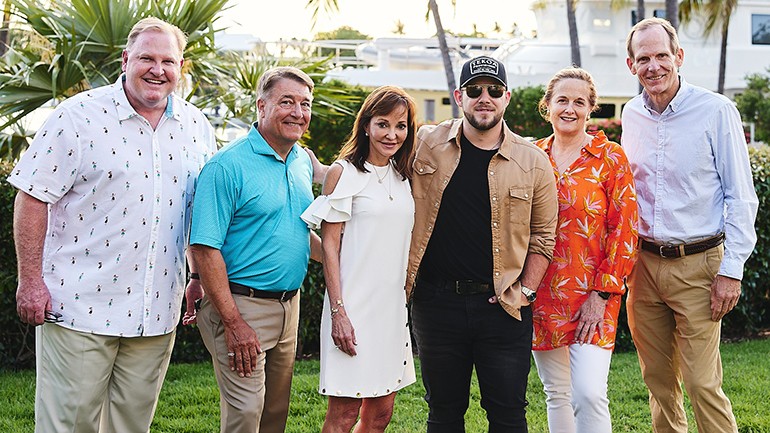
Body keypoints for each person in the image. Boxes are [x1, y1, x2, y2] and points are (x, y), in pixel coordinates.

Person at [8, 17, 216, 433]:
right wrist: (30, 280)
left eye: (168, 61)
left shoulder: (197, 127)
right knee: (68, 425)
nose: (158, 69)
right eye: (147, 58)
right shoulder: (77, 118)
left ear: (180, 67)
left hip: (155, 311)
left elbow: (191, 210)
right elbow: (32, 196)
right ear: (126, 60)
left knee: (131, 426)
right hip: (78, 306)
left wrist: (196, 274)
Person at [407, 56, 558, 432]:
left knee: (508, 416)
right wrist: (328, 172)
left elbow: (544, 237)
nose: (484, 98)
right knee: (443, 414)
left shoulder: (533, 161)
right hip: (436, 306)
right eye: (474, 90)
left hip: (504, 310)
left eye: (493, 90)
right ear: (459, 96)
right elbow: (375, 167)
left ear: (506, 97)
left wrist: (525, 292)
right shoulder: (425, 144)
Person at [622, 17, 758, 433]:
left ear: (678, 57)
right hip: (643, 267)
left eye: (662, 55)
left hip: (699, 266)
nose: (654, 66)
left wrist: (731, 271)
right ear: (631, 65)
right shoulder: (631, 114)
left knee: (702, 383)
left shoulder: (717, 111)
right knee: (659, 383)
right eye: (643, 58)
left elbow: (741, 196)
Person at [189, 66, 322, 433]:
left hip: (288, 306)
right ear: (261, 107)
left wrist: (341, 261)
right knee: (246, 413)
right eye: (287, 102)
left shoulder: (298, 160)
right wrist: (234, 323)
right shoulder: (226, 167)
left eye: (305, 104)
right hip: (239, 305)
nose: (298, 112)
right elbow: (204, 247)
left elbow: (295, 231)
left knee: (275, 413)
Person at [300, 85, 417, 432]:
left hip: (391, 313)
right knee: (344, 415)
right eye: (383, 123)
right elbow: (330, 247)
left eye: (401, 125)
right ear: (366, 125)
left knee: (380, 414)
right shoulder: (344, 173)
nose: (392, 134)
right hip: (351, 311)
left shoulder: (404, 175)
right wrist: (338, 313)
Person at [530, 67, 638, 433]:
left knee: (589, 393)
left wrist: (602, 293)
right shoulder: (532, 157)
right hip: (541, 294)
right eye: (562, 100)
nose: (570, 109)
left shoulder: (610, 158)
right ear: (547, 106)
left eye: (579, 101)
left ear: (591, 108)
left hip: (594, 295)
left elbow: (624, 230)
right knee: (556, 392)